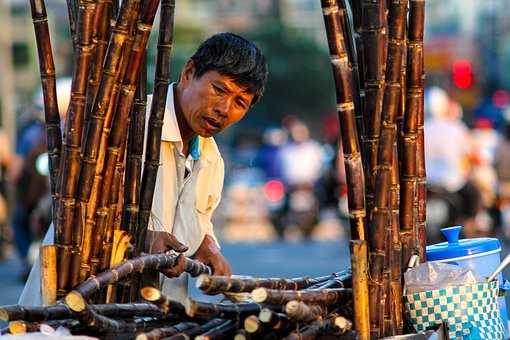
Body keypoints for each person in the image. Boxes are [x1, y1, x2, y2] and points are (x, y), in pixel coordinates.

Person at [19, 32, 268, 305]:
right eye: (219, 90)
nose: (223, 108)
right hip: (81, 304)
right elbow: (77, 215)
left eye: (239, 103)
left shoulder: (211, 160)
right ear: (189, 72)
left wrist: (207, 245)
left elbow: (198, 223)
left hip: (152, 314)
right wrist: (138, 238)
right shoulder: (123, 126)